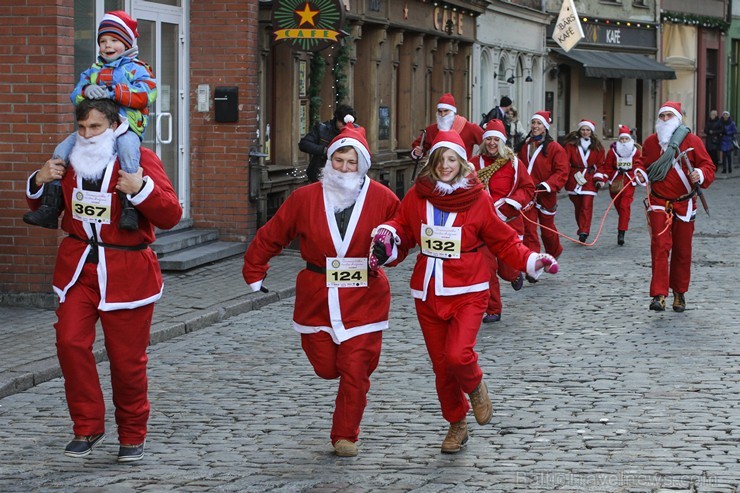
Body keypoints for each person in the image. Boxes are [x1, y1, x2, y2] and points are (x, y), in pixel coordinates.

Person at [368, 130, 558, 454]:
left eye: (452, 159)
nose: (445, 166)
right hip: (428, 292)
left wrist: (530, 259)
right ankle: (457, 423)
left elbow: (503, 239)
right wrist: (388, 239)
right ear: (432, 162)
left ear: (462, 163)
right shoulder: (418, 196)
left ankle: (476, 386)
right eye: (440, 159)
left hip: (469, 289)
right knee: (442, 367)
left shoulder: (477, 198)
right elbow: (403, 227)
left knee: (458, 355)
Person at [24, 98, 182, 462]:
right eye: (81, 128)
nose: (86, 134)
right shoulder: (70, 160)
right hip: (79, 267)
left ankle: (132, 434)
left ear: (112, 126)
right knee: (69, 343)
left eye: (94, 127)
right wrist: (39, 179)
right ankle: (88, 425)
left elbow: (172, 214)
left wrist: (140, 190)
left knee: (126, 362)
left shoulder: (139, 159)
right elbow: (46, 207)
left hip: (127, 272)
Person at [243, 120, 402, 458]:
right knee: (327, 367)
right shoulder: (305, 198)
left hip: (365, 297)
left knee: (355, 369)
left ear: (362, 165)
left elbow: (403, 236)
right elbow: (274, 233)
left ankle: (345, 434)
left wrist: (391, 250)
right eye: (339, 161)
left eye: (352, 162)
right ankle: (343, 374)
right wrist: (255, 268)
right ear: (329, 161)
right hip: (317, 295)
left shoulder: (384, 198)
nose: (344, 168)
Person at [23, 11, 157, 232]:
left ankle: (129, 209)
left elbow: (146, 94)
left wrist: (115, 92)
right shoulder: (93, 70)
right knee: (61, 149)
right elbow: (75, 94)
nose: (107, 45)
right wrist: (86, 89)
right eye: (103, 41)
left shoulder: (138, 68)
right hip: (95, 130)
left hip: (125, 127)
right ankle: (51, 205)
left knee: (128, 153)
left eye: (114, 40)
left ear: (127, 42)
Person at [641, 101, 715, 312]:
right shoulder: (650, 143)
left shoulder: (692, 141)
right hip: (658, 202)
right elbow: (642, 163)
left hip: (685, 203)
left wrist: (700, 174)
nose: (664, 119)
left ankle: (679, 293)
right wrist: (639, 172)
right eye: (662, 116)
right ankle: (659, 294)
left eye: (668, 116)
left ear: (677, 118)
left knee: (682, 251)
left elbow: (708, 166)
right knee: (660, 247)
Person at [473, 119, 534, 323]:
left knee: (506, 268)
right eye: (488, 138)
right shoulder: (473, 164)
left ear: (502, 142)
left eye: (495, 139)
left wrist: (511, 203)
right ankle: (493, 309)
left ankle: (514, 274)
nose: (491, 143)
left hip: (508, 222)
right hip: (483, 226)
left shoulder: (514, 163)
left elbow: (528, 189)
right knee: (486, 268)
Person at [516, 111, 569, 271]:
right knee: (529, 229)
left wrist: (548, 184)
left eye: (539, 123)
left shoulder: (555, 148)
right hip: (528, 194)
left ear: (545, 127)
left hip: (546, 194)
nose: (535, 126)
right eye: (533, 123)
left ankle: (554, 251)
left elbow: (562, 171)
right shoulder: (525, 145)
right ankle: (534, 264)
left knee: (547, 230)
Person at [595, 125, 646, 246]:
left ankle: (621, 233)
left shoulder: (636, 152)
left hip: (629, 181)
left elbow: (639, 165)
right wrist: (603, 179)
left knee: (624, 206)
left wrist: (637, 174)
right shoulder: (612, 152)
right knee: (619, 206)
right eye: (621, 139)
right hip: (615, 181)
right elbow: (607, 167)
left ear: (630, 140)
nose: (623, 142)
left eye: (626, 139)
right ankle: (624, 220)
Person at [563, 120, 606, 243]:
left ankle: (584, 231)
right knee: (578, 206)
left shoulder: (598, 147)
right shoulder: (570, 145)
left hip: (590, 178)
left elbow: (600, 164)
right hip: (574, 177)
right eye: (583, 129)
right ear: (579, 130)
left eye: (588, 130)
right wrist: (563, 178)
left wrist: (599, 178)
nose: (585, 132)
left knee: (587, 205)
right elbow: (565, 162)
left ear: (591, 131)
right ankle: (581, 226)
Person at [411, 93, 483, 162]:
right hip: (438, 171)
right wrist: (417, 152)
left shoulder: (469, 128)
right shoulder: (431, 130)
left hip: (462, 172)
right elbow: (418, 146)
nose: (442, 114)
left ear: (453, 111)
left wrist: (479, 163)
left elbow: (487, 143)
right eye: (440, 111)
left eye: (446, 111)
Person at [298, 104, 357, 183]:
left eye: (348, 124)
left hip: (345, 177)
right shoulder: (322, 128)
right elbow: (304, 144)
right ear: (337, 119)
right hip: (319, 176)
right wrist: (325, 150)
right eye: (342, 123)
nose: (345, 127)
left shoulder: (356, 131)